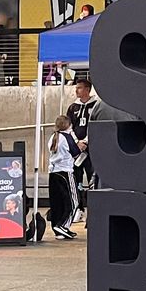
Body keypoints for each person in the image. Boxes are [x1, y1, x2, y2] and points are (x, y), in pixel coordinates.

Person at [67, 77, 100, 221]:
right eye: (76, 88)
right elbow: (68, 126)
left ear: (87, 89)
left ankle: (93, 210)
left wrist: (86, 141)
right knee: (77, 179)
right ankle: (78, 209)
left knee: (92, 178)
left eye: (79, 88)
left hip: (91, 150)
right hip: (77, 151)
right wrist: (77, 142)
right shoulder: (73, 107)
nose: (76, 90)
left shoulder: (96, 105)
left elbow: (96, 125)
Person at [46, 114, 80, 240]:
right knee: (73, 202)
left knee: (57, 203)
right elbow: (76, 152)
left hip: (53, 173)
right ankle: (62, 225)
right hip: (65, 172)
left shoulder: (52, 137)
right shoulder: (67, 137)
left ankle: (58, 228)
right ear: (69, 125)